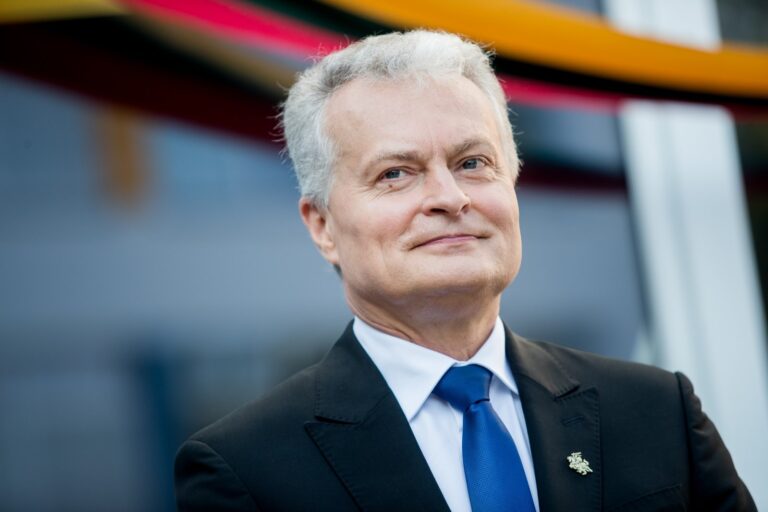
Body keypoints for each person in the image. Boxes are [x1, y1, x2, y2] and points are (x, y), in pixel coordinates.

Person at [174, 30, 755, 511]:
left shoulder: (657, 413)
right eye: (396, 173)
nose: (450, 197)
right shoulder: (246, 470)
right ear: (323, 225)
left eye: (472, 162)